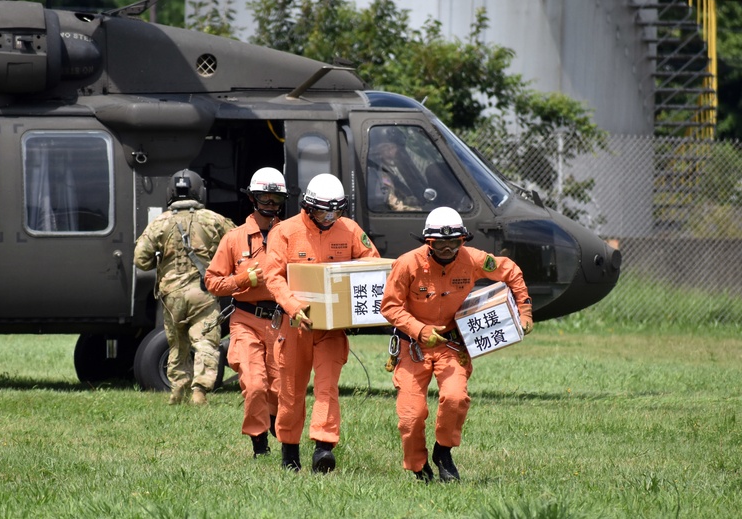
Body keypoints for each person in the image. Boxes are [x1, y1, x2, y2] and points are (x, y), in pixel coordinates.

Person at [380, 207, 533, 482]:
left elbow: (511, 271)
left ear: (464, 240)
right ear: (429, 242)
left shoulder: (473, 260)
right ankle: (417, 465)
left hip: (452, 345)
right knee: (411, 416)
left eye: (455, 243)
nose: (448, 249)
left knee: (455, 398)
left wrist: (525, 311)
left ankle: (444, 451)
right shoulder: (407, 264)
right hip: (412, 346)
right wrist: (420, 330)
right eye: (441, 243)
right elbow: (389, 306)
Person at [263, 173, 380, 473]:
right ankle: (289, 451)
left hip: (332, 328)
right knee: (290, 391)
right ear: (307, 207)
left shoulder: (350, 229)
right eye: (322, 211)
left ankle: (323, 449)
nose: (329, 217)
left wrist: (356, 309)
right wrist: (293, 306)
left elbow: (372, 265)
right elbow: (273, 276)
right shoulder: (285, 232)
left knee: (327, 388)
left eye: (335, 211)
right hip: (295, 325)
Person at [205, 167, 288, 458]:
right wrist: (242, 280)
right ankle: (258, 443)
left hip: (281, 321)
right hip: (245, 321)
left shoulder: (290, 235)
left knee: (280, 388)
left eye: (275, 198)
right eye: (264, 197)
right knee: (254, 385)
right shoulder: (234, 239)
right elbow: (212, 282)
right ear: (252, 198)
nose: (269, 203)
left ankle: (277, 423)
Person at [134, 169, 236, 406]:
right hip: (203, 293)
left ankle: (177, 390)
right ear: (200, 191)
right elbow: (237, 246)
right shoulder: (215, 220)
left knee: (177, 345)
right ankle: (200, 391)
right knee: (205, 343)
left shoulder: (159, 222)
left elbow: (141, 259)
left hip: (172, 297)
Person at [367, 126, 426, 212]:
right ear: (377, 151)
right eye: (385, 148)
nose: (390, 153)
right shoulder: (377, 174)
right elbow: (395, 205)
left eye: (392, 148)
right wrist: (419, 210)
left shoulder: (391, 170)